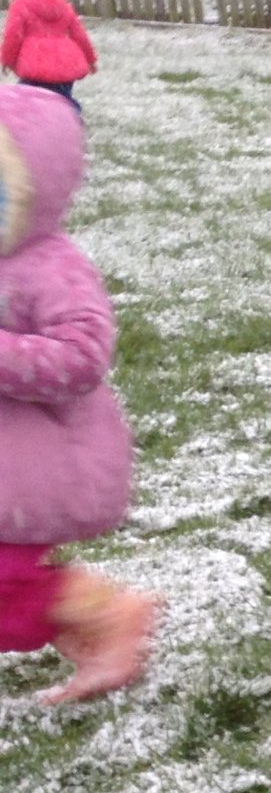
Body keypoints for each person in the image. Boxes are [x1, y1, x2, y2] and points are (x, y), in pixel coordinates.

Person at [0, 86, 156, 702]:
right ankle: (93, 636)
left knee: (6, 585)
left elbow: (83, 355)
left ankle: (108, 612)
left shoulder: (50, 267)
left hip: (33, 460)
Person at [0, 0, 95, 107]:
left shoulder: (21, 4)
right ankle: (72, 119)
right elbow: (79, 34)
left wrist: (7, 60)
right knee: (62, 101)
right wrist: (90, 59)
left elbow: (13, 36)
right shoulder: (63, 4)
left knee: (26, 103)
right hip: (64, 64)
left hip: (34, 63)